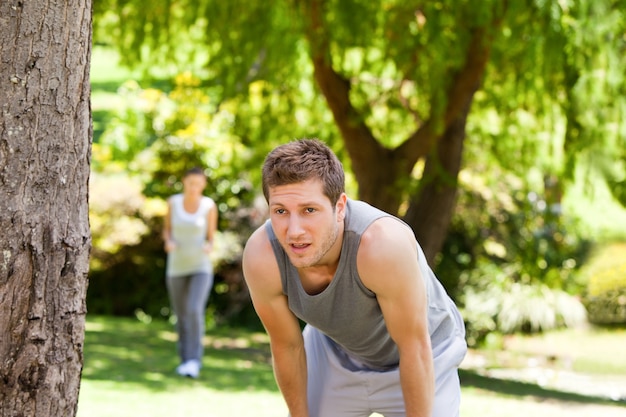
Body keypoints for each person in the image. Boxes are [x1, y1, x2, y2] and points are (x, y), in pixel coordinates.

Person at [242, 139, 467, 417]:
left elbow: (414, 346)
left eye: (309, 210)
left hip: (426, 354)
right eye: (280, 212)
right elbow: (287, 345)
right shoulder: (263, 256)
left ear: (339, 207)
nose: (294, 231)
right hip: (336, 352)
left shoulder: (381, 245)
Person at [162, 167, 218, 378]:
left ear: (203, 184)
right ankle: (184, 360)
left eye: (199, 183)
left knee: (194, 310)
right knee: (182, 315)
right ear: (184, 182)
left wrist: (209, 245)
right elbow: (167, 229)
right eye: (191, 183)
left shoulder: (208, 205)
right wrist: (168, 241)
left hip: (200, 267)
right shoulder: (173, 203)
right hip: (176, 267)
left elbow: (211, 236)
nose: (194, 187)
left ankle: (194, 361)